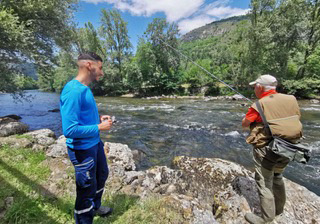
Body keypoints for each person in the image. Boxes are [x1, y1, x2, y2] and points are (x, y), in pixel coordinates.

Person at [60, 52, 113, 224]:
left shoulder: (85, 89)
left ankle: (96, 207)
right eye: (100, 67)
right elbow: (70, 130)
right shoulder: (73, 91)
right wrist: (99, 127)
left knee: (102, 175)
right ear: (90, 65)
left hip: (94, 144)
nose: (102, 72)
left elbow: (82, 119)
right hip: (82, 150)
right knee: (85, 190)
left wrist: (98, 120)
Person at [242, 74, 302, 224]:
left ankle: (265, 219)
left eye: (255, 86)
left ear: (260, 88)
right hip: (289, 146)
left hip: (268, 149)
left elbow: (245, 123)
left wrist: (256, 111)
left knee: (264, 181)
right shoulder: (291, 99)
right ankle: (279, 209)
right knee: (277, 176)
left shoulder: (258, 105)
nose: (254, 88)